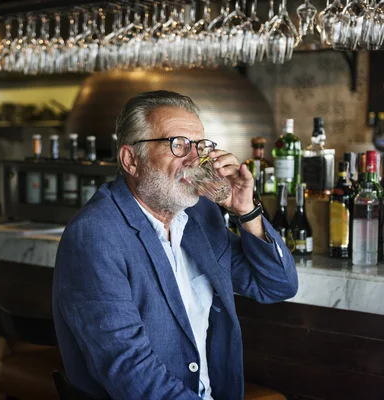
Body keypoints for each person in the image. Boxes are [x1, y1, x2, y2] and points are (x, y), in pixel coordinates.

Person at [52, 90, 298, 400]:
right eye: (177, 144)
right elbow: (131, 371)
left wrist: (245, 211)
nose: (195, 159)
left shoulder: (200, 215)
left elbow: (277, 285)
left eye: (199, 146)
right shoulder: (95, 236)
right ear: (131, 160)